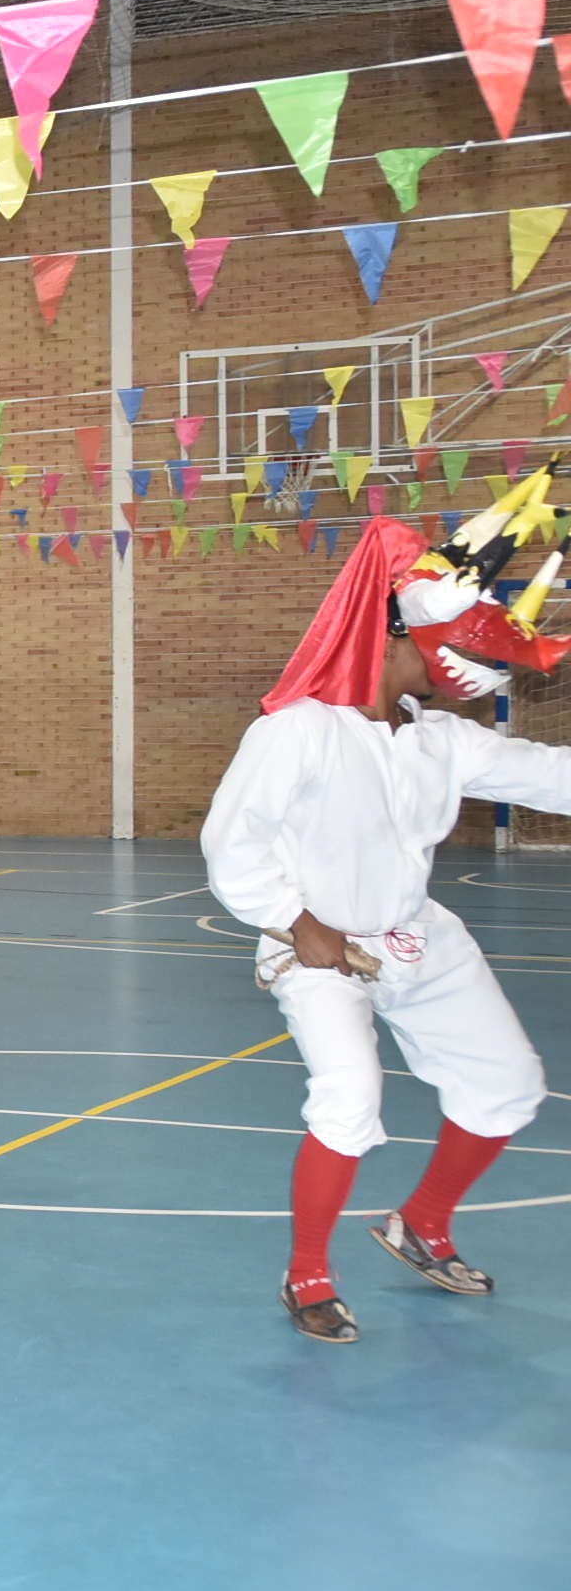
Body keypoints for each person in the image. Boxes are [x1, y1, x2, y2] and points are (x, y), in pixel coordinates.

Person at [201, 504, 571, 1345]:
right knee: (348, 1097)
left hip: (416, 936)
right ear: (395, 632)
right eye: (464, 645)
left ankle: (422, 1224)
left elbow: (552, 775)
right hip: (317, 949)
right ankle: (309, 1273)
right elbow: (233, 844)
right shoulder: (296, 732)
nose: (471, 667)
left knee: (508, 1082)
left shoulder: (440, 740)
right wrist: (296, 922)